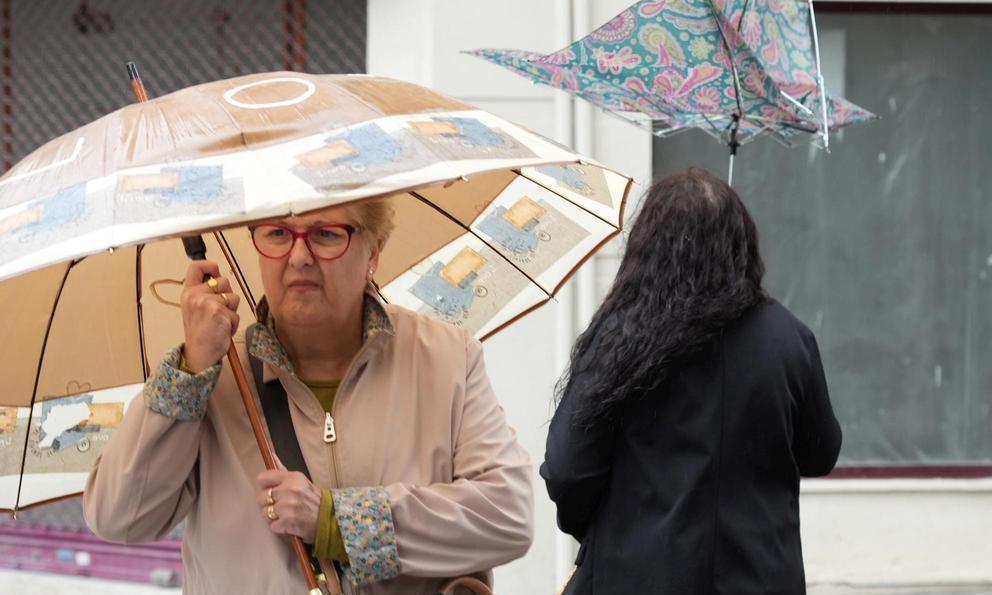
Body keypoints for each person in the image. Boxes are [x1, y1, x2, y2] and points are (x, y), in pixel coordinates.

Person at [83, 200, 534, 594]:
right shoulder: (212, 375)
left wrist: (337, 521)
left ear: (374, 249)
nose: (299, 256)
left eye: (326, 235)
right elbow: (118, 516)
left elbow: (507, 515)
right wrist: (193, 368)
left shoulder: (446, 359)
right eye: (278, 233)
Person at [542, 168, 842, 595]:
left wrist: (607, 530)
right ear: (741, 244)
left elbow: (568, 468)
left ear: (647, 247)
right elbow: (820, 453)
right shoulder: (789, 338)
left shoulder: (618, 335)